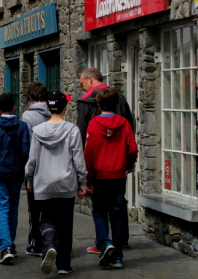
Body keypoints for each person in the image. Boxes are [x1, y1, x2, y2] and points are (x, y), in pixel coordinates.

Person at [25, 91, 87, 275]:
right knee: (66, 223)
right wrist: (82, 182)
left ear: (47, 108)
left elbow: (32, 160)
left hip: (44, 182)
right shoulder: (72, 130)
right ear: (65, 108)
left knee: (46, 218)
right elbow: (78, 158)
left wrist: (29, 178)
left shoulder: (38, 131)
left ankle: (49, 243)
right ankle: (64, 265)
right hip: (66, 183)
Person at [77, 67, 134, 252]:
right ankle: (121, 241)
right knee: (118, 205)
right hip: (118, 166)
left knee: (99, 208)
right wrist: (129, 162)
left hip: (98, 166)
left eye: (82, 83)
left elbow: (82, 137)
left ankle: (103, 242)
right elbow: (130, 133)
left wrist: (85, 173)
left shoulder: (86, 105)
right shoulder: (119, 99)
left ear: (90, 80)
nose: (82, 88)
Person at [85, 87, 138, 269]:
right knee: (116, 214)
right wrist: (129, 164)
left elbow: (88, 152)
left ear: (99, 105)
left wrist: (88, 178)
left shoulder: (93, 124)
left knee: (99, 212)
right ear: (116, 104)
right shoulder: (123, 123)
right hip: (118, 174)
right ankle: (118, 258)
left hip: (99, 175)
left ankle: (105, 243)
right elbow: (132, 148)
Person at [0, 93, 29, 265]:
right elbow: (26, 152)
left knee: (2, 209)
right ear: (14, 107)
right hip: (16, 173)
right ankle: (11, 245)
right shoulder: (22, 126)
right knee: (13, 209)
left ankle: (6, 247)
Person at [20, 81, 50, 257]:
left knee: (35, 208)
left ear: (30, 98)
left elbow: (28, 147)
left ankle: (37, 243)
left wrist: (28, 174)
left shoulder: (28, 117)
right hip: (54, 168)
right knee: (50, 208)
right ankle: (51, 240)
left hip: (36, 167)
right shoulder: (55, 112)